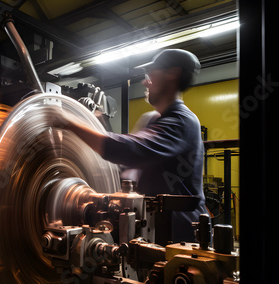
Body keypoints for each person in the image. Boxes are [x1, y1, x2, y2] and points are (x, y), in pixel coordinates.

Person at [60, 49, 207, 243]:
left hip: (180, 240)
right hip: (156, 233)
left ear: (173, 73)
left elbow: (131, 151)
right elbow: (128, 168)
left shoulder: (182, 121)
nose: (145, 82)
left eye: (151, 74)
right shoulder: (156, 121)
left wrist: (67, 122)